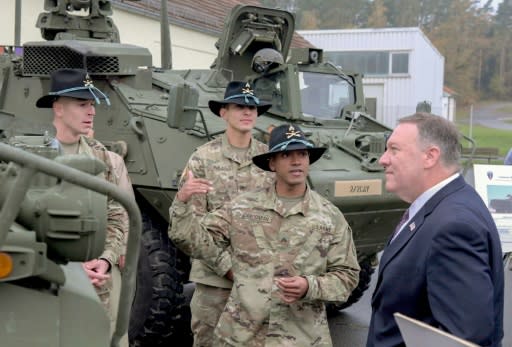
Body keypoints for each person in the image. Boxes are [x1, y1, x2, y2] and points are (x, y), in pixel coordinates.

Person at [169, 124, 360, 346]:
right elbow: (193, 240)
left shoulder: (330, 217)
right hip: (242, 337)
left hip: (302, 338)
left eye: (303, 154)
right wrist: (182, 203)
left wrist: (310, 286)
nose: (296, 161)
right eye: (287, 154)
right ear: (272, 163)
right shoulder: (242, 209)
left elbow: (348, 277)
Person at [367, 113, 504, 347]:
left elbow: (463, 338)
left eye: (394, 149)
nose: (382, 159)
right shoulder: (443, 205)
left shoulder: (453, 226)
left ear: (430, 156)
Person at [168, 81, 275, 346]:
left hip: (260, 279)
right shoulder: (202, 159)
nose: (248, 112)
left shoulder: (269, 160)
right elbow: (192, 229)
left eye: (252, 107)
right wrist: (228, 268)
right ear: (223, 113)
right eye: (239, 106)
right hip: (215, 282)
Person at [36, 68, 128, 314]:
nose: (92, 111)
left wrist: (105, 259)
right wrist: (68, 266)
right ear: (58, 108)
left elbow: (117, 214)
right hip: (45, 281)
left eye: (92, 103)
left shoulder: (102, 157)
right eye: (81, 103)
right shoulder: (30, 154)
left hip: (96, 283)